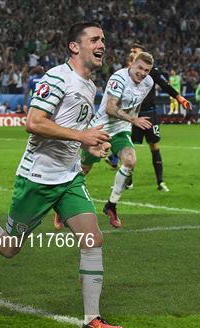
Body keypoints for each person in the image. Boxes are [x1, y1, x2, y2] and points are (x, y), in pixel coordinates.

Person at [0, 22, 124, 328]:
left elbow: (74, 125)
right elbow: (34, 122)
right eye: (94, 39)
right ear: (74, 46)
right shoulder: (56, 78)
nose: (102, 44)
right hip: (37, 179)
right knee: (9, 248)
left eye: (104, 39)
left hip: (68, 178)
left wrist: (92, 142)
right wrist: (82, 135)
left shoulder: (91, 86)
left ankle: (92, 320)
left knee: (93, 240)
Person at [80, 52, 154, 228]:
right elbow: (110, 108)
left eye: (147, 70)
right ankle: (62, 207)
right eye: (140, 68)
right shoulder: (119, 78)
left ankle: (111, 205)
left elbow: (137, 103)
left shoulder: (148, 82)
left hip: (121, 129)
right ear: (132, 64)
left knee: (130, 161)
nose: (143, 73)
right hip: (101, 127)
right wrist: (134, 120)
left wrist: (132, 122)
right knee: (84, 169)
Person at [109, 43, 192, 192]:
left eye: (135, 51)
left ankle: (160, 182)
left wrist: (180, 98)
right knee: (128, 147)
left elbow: (165, 85)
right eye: (131, 51)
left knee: (154, 146)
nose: (132, 52)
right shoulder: (126, 72)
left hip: (150, 113)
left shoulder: (152, 72)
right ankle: (128, 182)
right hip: (132, 115)